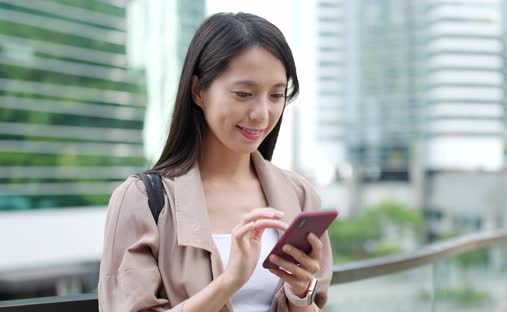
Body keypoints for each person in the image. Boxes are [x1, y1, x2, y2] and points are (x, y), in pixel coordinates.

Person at [98, 12, 333, 312]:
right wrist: (229, 282)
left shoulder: (300, 195)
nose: (261, 114)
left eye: (277, 95)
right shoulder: (143, 200)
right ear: (198, 90)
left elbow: (314, 302)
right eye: (244, 93)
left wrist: (301, 293)